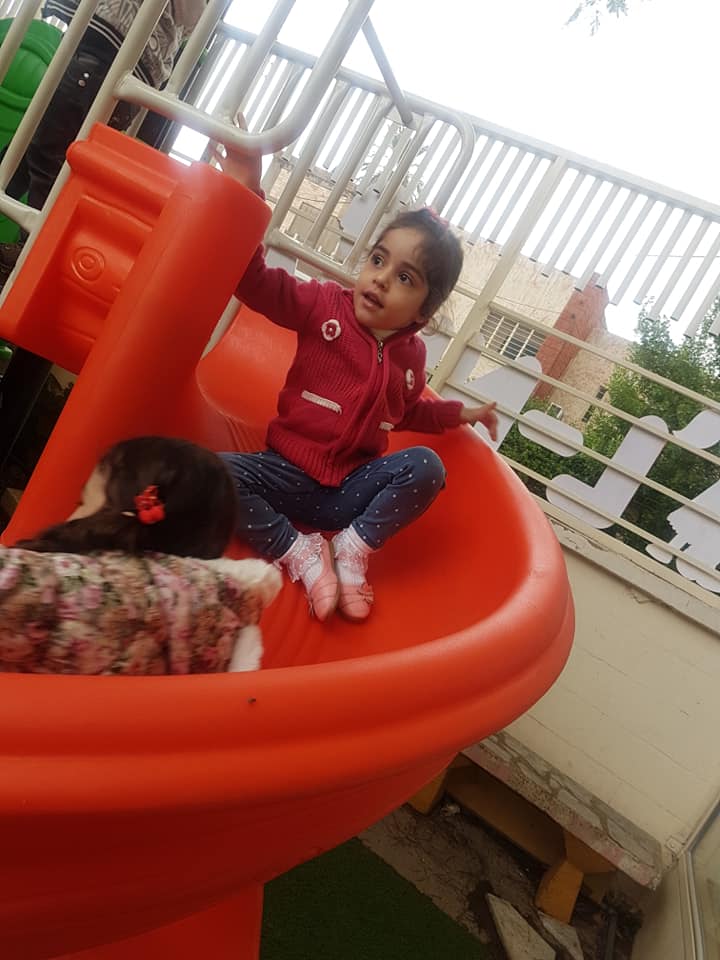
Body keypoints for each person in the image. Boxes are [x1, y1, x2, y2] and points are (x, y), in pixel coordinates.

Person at [217, 146, 498, 623]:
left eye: (404, 277)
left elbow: (405, 412)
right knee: (216, 473)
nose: (381, 279)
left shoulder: (412, 357)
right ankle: (301, 553)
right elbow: (254, 282)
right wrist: (246, 191)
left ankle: (353, 548)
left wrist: (458, 414)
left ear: (425, 311)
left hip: (350, 493)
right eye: (378, 260)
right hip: (286, 473)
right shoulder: (323, 306)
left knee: (426, 467)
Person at [0, 435, 281, 674]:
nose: (71, 515)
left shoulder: (101, 590)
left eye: (83, 502)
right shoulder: (218, 621)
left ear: (118, 520)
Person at [0, 0, 206, 283]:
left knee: (49, 158)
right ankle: (31, 250)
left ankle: (33, 253)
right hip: (112, 58)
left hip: (109, 56)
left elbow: (191, 16)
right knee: (30, 147)